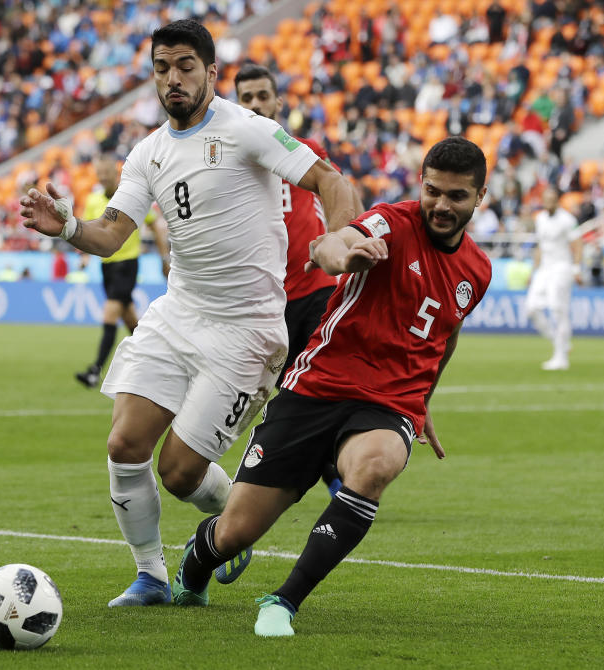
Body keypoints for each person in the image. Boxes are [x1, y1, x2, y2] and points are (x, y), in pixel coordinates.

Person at [19, 19, 362, 608]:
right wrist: (69, 227)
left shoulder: (246, 129)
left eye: (183, 67)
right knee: (124, 444)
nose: (171, 79)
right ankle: (150, 576)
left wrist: (340, 238)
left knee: (179, 473)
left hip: (246, 329)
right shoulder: (148, 153)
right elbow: (110, 233)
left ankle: (230, 523)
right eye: (161, 68)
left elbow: (329, 180)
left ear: (209, 72)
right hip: (179, 313)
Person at [169, 137, 492, 637]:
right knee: (235, 533)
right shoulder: (391, 223)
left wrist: (423, 404)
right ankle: (197, 560)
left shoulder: (478, 269)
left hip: (389, 404)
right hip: (317, 387)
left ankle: (283, 601)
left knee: (376, 464)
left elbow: (447, 331)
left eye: (456, 196)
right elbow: (328, 244)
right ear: (421, 185)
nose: (442, 206)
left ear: (480, 196)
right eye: (433, 192)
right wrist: (344, 256)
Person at [234, 64, 361, 496]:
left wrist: (344, 238)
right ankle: (326, 474)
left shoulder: (304, 151)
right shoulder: (234, 160)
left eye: (262, 96)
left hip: (315, 290)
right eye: (246, 98)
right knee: (284, 396)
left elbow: (341, 188)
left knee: (322, 386)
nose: (255, 105)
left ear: (278, 101)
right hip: (264, 300)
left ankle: (339, 479)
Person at [76, 154, 169, 388]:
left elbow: (154, 225)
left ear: (116, 173)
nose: (103, 177)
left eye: (107, 172)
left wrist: (163, 257)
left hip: (127, 264)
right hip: (106, 266)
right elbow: (88, 230)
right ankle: (156, 363)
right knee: (131, 322)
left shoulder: (129, 199)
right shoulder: (93, 201)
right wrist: (85, 256)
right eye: (100, 173)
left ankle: (95, 370)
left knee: (109, 314)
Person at [525, 186, 581, 371]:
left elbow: (577, 243)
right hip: (544, 268)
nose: (548, 203)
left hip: (561, 267)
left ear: (557, 200)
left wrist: (576, 268)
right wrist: (533, 272)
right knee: (531, 308)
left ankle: (561, 357)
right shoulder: (540, 219)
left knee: (558, 309)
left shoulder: (567, 220)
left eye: (551, 200)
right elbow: (540, 246)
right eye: (545, 200)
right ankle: (561, 342)